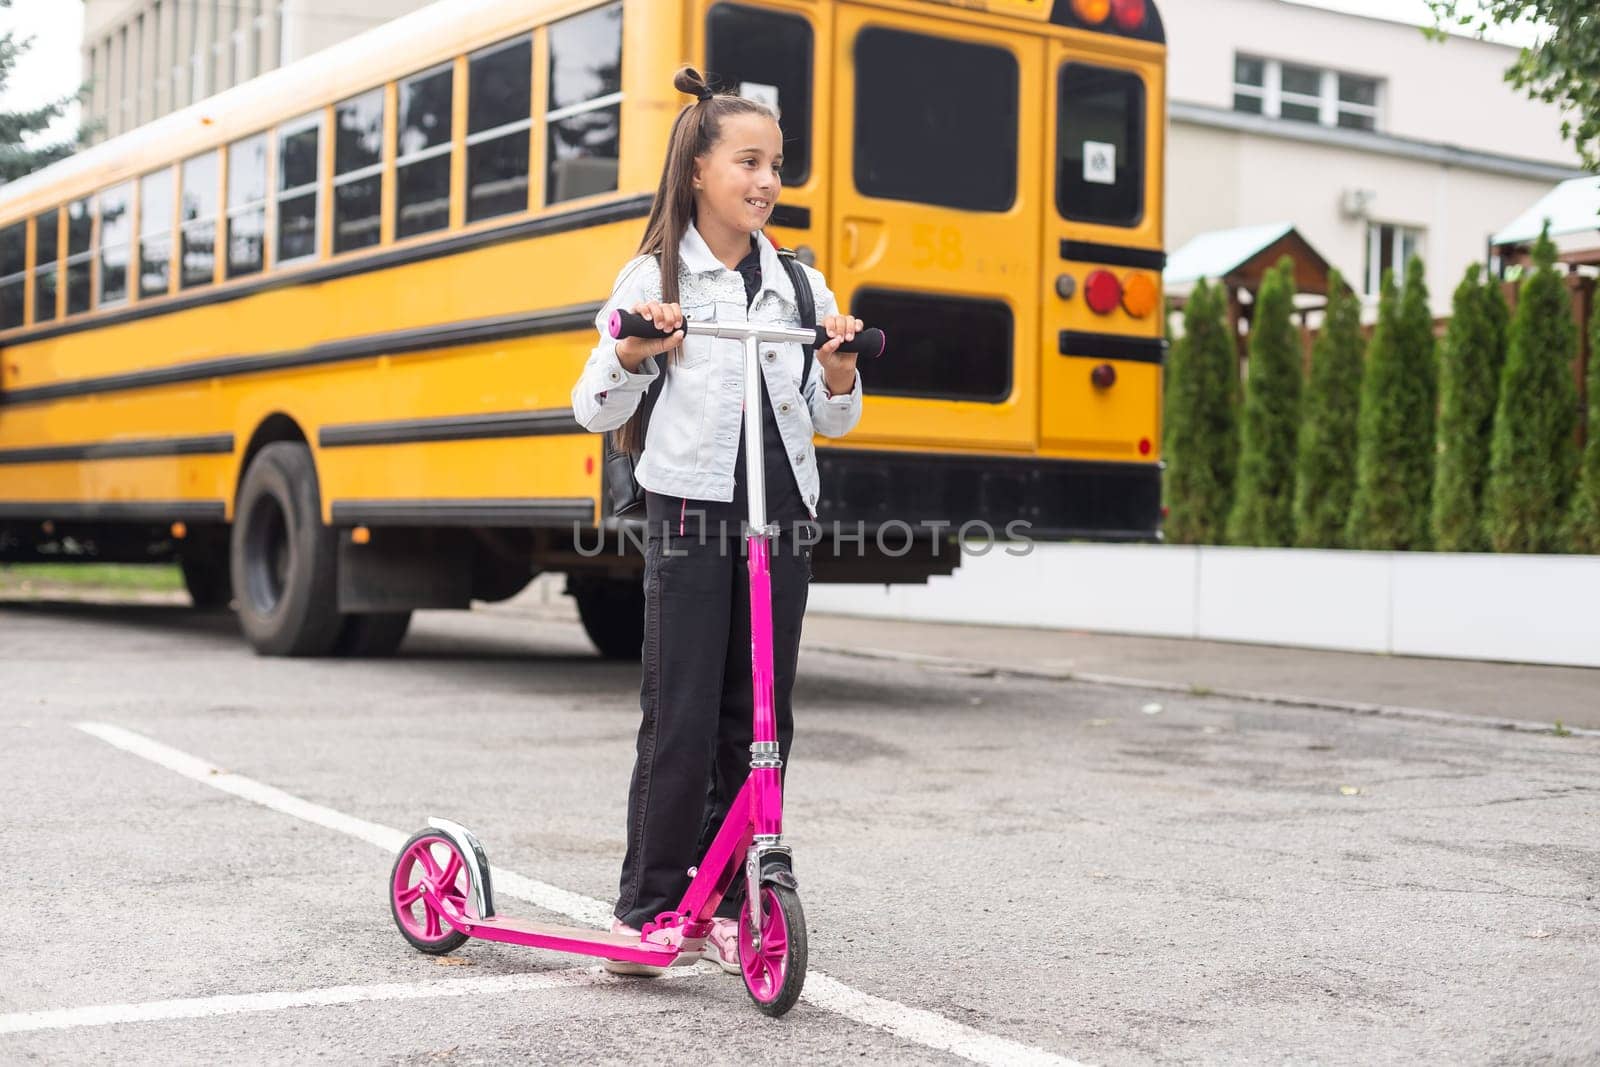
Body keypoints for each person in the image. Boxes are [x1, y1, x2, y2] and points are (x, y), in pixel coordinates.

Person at [570, 66, 864, 975]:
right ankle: (650, 904)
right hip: (691, 511)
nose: (767, 181)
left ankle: (735, 898)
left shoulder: (799, 287)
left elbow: (832, 415)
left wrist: (845, 367)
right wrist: (633, 344)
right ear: (699, 169)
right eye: (749, 162)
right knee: (683, 712)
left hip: (781, 514)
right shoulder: (655, 276)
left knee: (762, 718)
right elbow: (592, 404)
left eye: (776, 164)